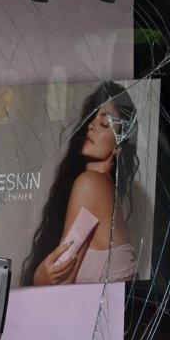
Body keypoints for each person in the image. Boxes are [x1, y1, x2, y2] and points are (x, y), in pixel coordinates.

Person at [22, 82, 140, 286]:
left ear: (120, 143)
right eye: (91, 117)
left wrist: (39, 278)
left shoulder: (91, 185)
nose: (92, 125)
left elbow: (60, 282)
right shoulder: (104, 189)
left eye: (104, 124)